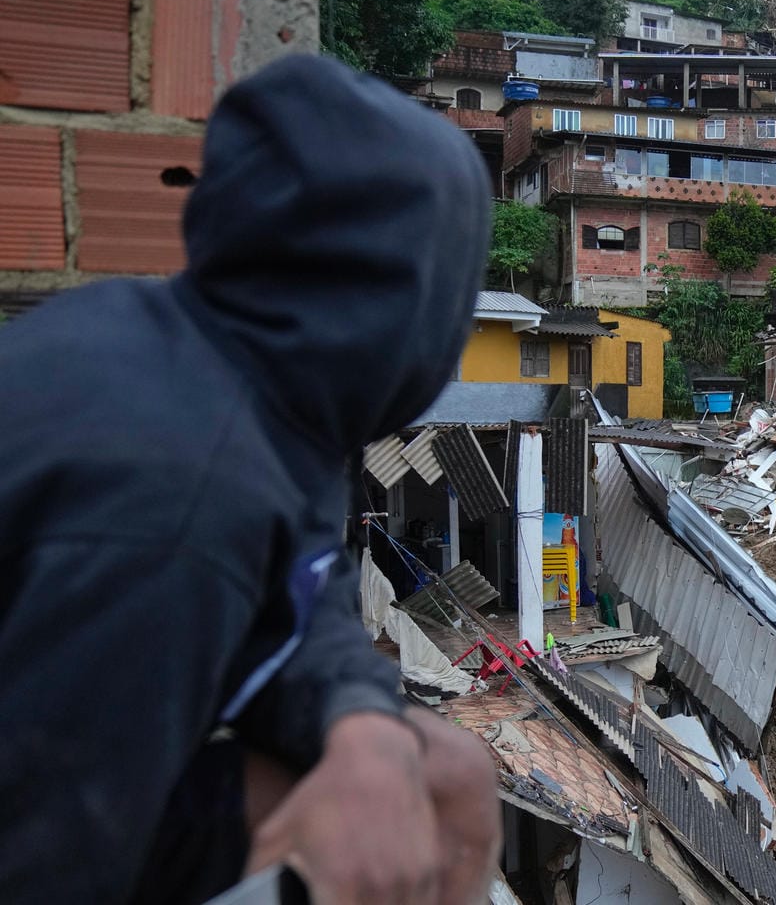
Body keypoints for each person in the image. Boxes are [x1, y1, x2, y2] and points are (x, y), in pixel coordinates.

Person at [0, 55, 499, 904]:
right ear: (408, 300)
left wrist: (359, 717)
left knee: (440, 772)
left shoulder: (233, 374)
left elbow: (302, 584)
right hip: (48, 826)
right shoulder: (175, 509)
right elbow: (44, 856)